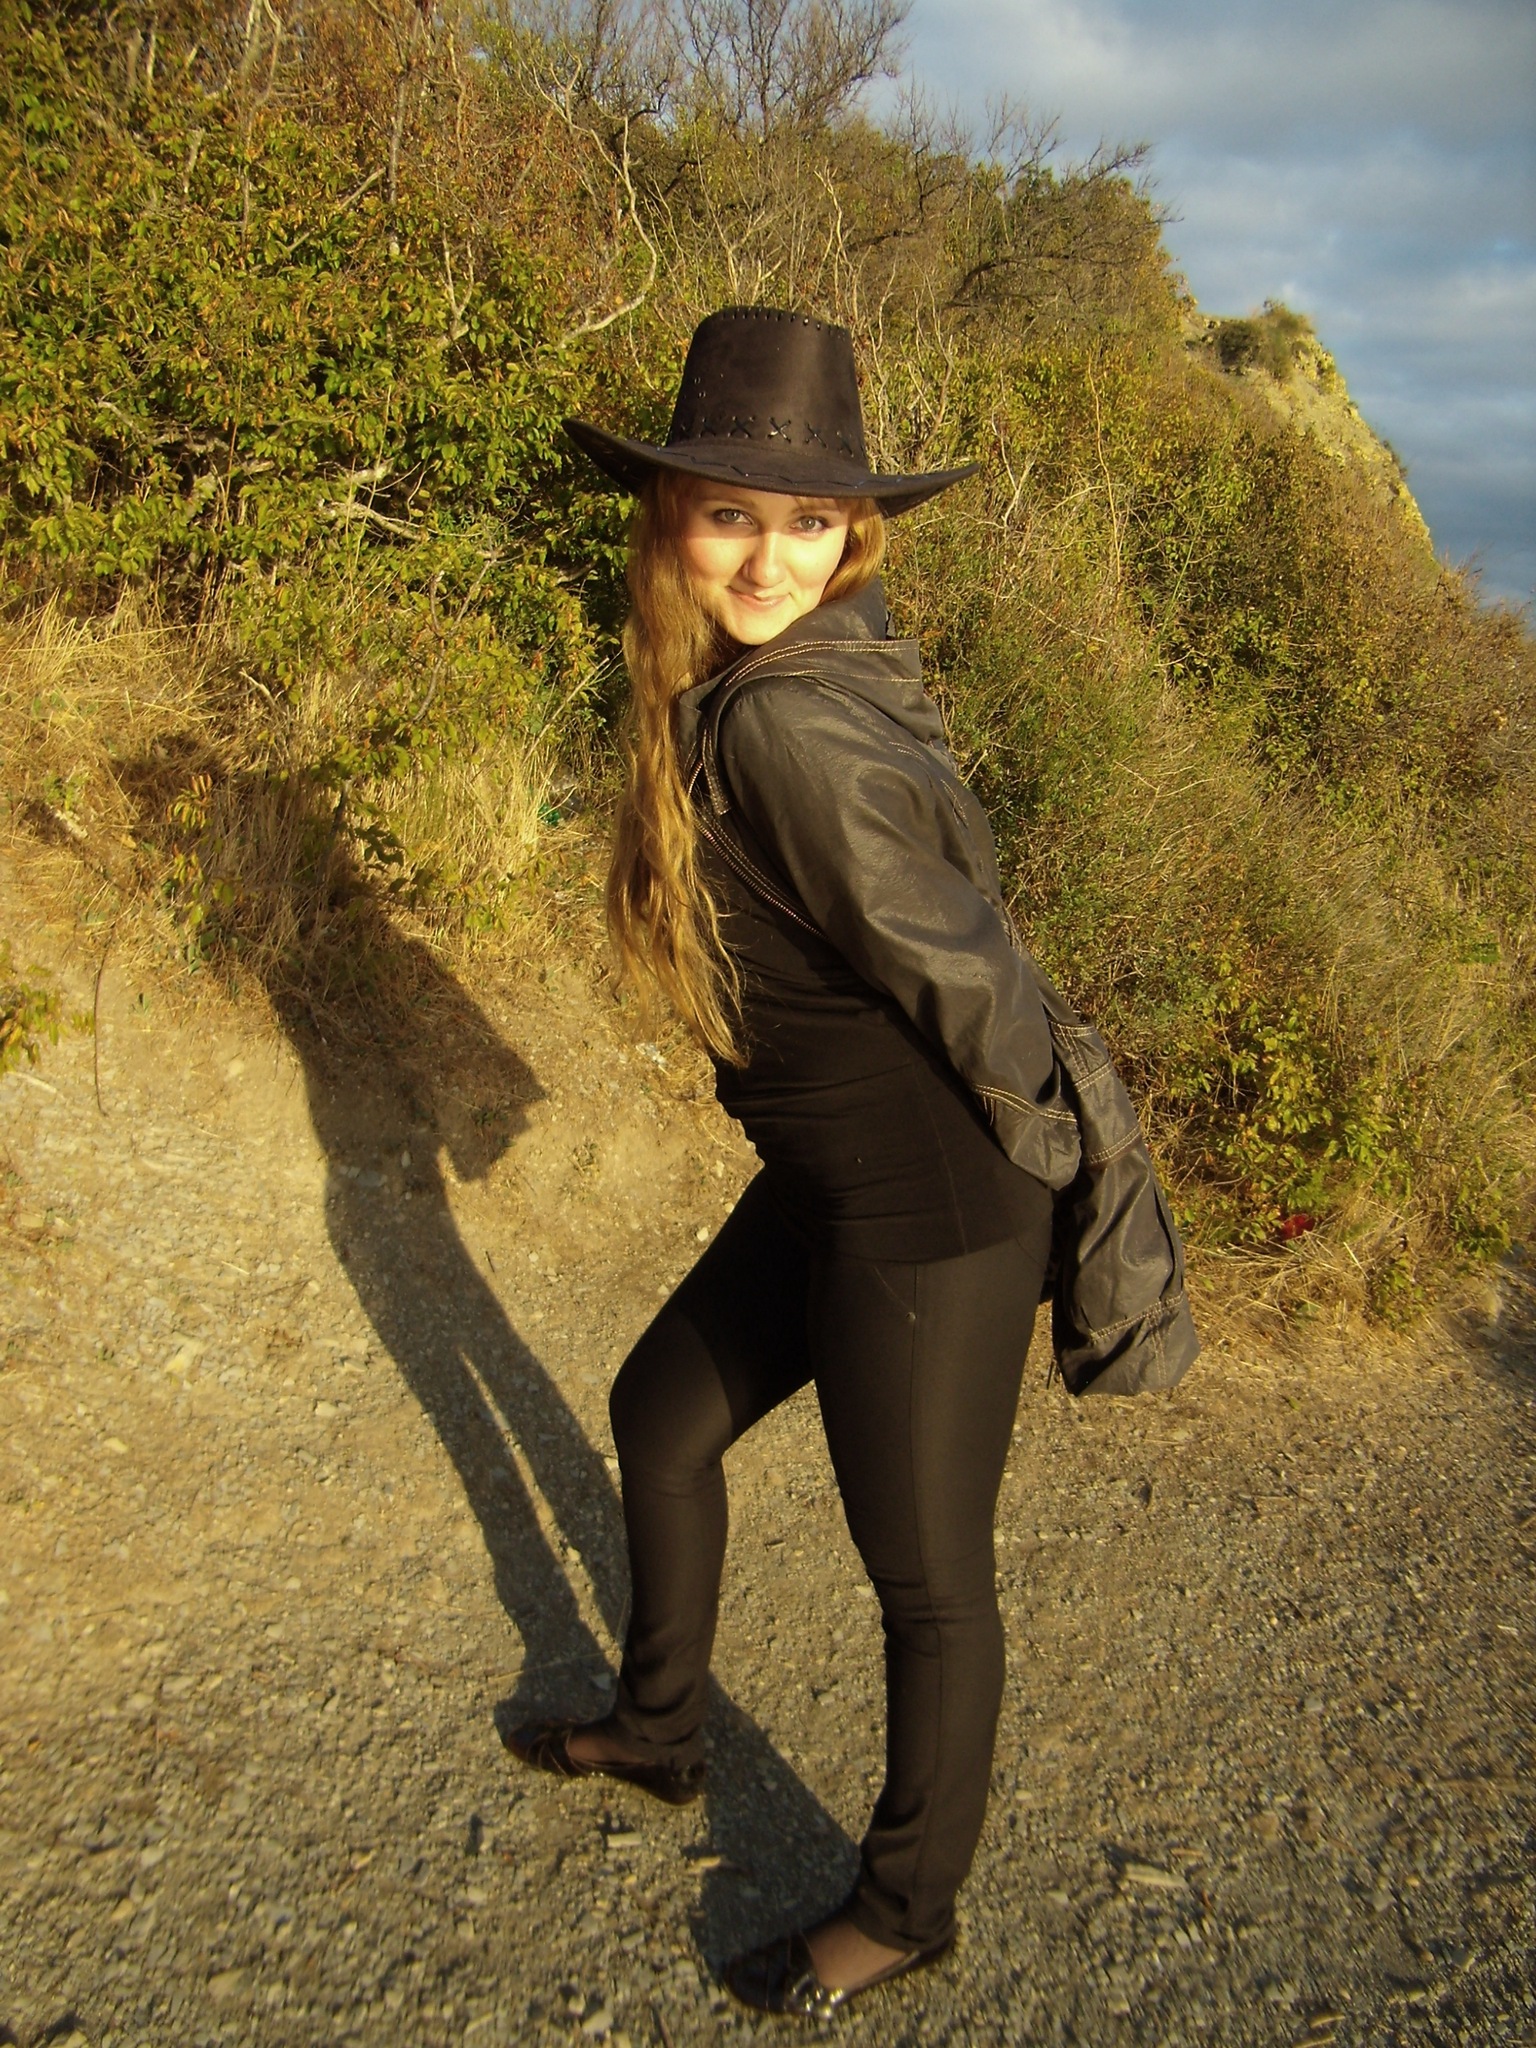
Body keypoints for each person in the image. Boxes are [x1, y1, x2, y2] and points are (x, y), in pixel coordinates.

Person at [506, 307, 1195, 2017]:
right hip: (829, 1179)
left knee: (928, 1580)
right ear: (672, 518)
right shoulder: (758, 685)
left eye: (808, 519)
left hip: (931, 1208)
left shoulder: (784, 727)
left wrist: (1077, 1172)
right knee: (661, 1415)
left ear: (854, 536)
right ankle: (663, 1728)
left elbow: (975, 977)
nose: (770, 555)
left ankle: (905, 1906)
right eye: (732, 511)